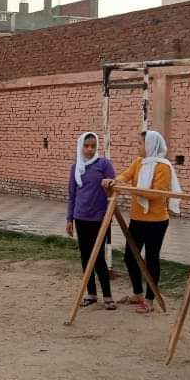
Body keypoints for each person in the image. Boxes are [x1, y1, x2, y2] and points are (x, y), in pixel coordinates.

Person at [102, 130, 181, 313]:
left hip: (156, 221)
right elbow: (125, 175)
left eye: (140, 143)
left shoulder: (163, 167)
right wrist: (114, 181)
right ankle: (137, 293)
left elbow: (155, 194)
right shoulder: (139, 162)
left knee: (152, 259)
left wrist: (130, 189)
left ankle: (150, 299)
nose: (137, 146)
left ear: (151, 145)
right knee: (130, 257)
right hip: (137, 219)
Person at [66, 132, 117, 309]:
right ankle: (91, 293)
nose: (90, 149)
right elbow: (72, 195)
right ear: (81, 147)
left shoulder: (104, 164)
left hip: (99, 218)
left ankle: (108, 295)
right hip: (81, 217)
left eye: (93, 146)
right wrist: (69, 219)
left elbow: (114, 188)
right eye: (86, 146)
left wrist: (110, 185)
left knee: (99, 257)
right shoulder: (76, 168)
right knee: (85, 256)